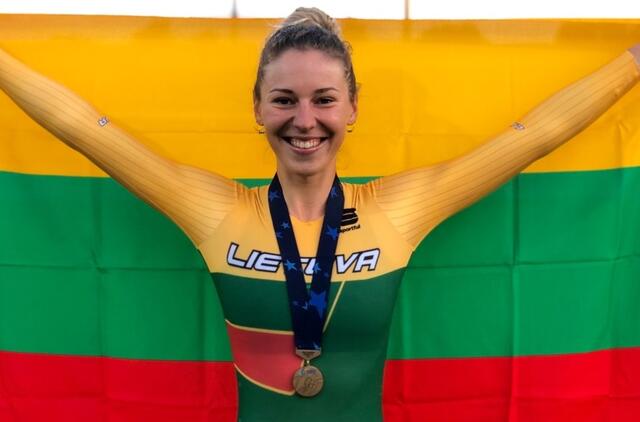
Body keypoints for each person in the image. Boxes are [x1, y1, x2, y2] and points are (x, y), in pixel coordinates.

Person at [1, 6, 639, 421]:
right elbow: (85, 129)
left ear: (353, 107)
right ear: (257, 108)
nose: (304, 120)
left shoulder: (396, 211)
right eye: (284, 100)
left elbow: (532, 136)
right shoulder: (216, 212)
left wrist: (632, 62)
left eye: (324, 100)